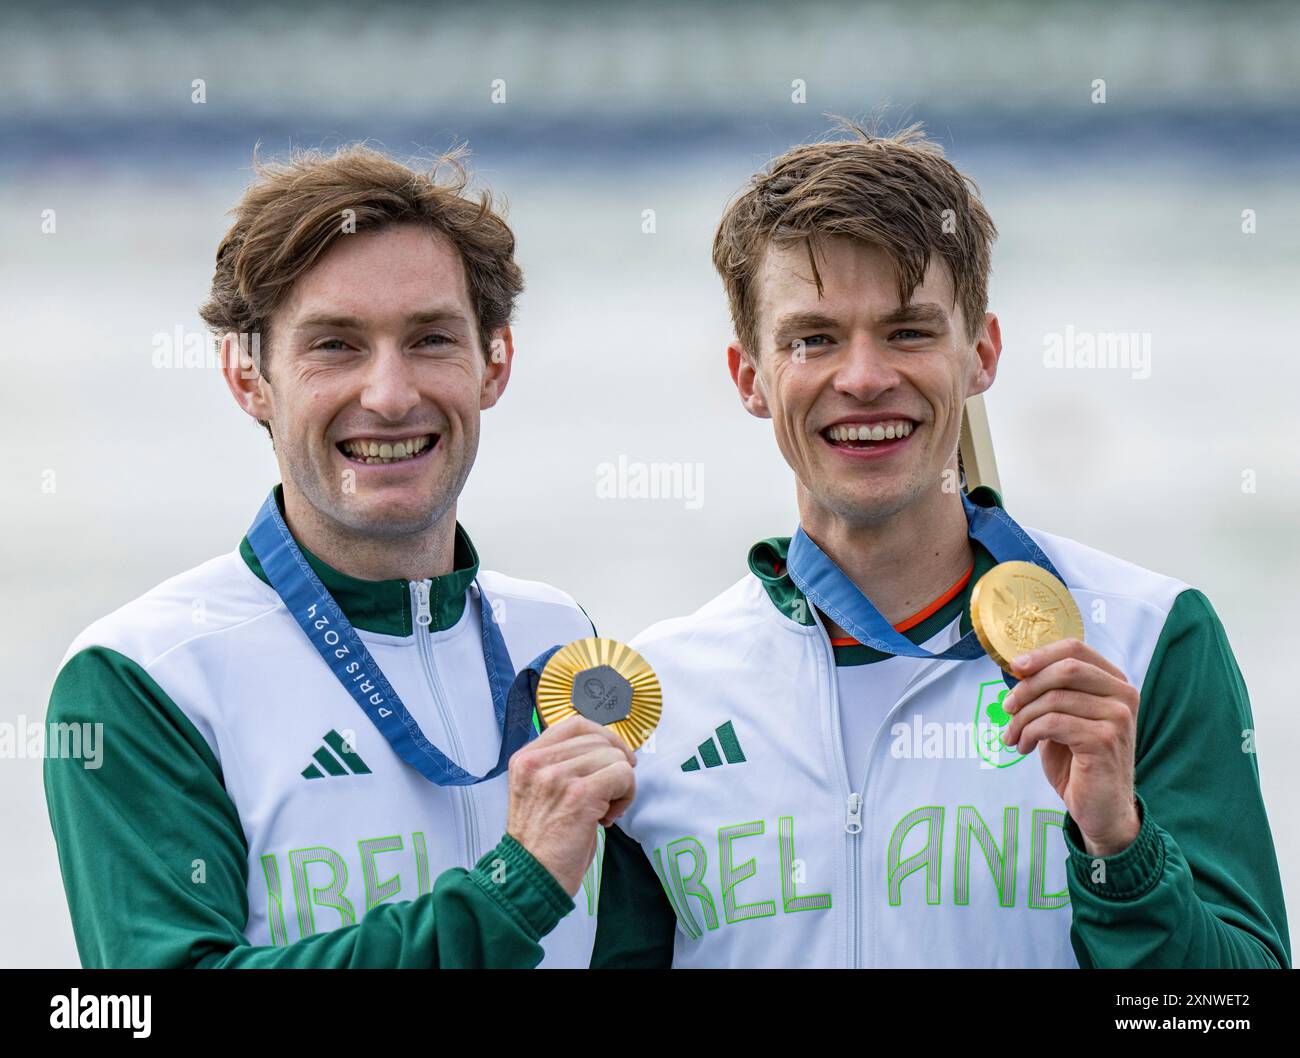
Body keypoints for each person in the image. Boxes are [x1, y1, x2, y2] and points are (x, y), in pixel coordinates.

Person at [591, 122, 1290, 968]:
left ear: (980, 354)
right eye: (813, 338)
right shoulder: (660, 694)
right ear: (749, 376)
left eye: (909, 331)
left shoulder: (1145, 638)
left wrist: (1121, 852)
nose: (862, 377)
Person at [44, 145, 635, 968]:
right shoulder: (146, 674)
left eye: (431, 339)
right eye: (335, 346)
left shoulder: (560, 632)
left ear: (494, 363)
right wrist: (513, 890)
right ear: (248, 377)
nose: (390, 396)